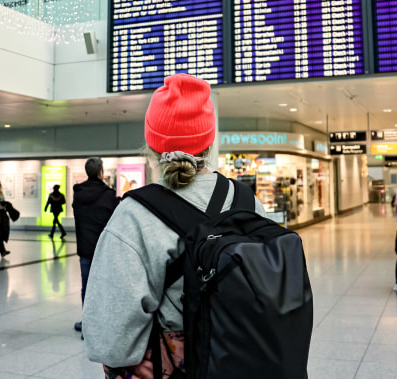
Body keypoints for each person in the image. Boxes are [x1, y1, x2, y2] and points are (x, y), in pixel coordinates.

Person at [82, 74, 267, 377]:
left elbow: (110, 339)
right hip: (247, 361)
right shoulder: (247, 201)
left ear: (152, 144)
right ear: (209, 141)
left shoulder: (134, 215)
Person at [71, 157, 118, 335]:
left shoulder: (78, 191)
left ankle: (87, 323)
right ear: (100, 172)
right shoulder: (108, 194)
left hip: (85, 246)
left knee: (87, 286)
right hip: (104, 248)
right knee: (105, 285)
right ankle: (103, 322)